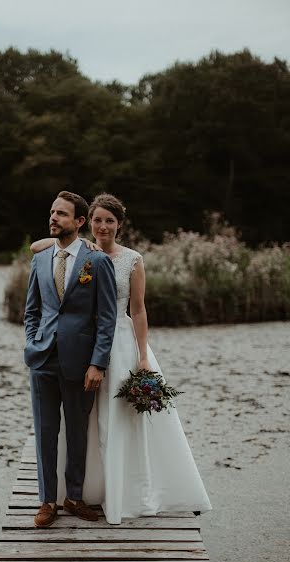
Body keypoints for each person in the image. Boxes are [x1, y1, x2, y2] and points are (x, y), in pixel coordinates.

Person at [30, 192, 212, 525]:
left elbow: (136, 309)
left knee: (110, 420)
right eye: (97, 220)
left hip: (114, 344)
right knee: (68, 425)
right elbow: (39, 254)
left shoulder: (127, 260)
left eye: (109, 221)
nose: (102, 226)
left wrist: (142, 355)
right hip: (64, 351)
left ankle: (107, 489)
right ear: (88, 223)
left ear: (119, 225)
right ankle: (60, 496)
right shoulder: (80, 251)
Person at [24, 190, 117, 528]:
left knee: (77, 431)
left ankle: (74, 496)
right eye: (52, 212)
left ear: (79, 222)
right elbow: (32, 310)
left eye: (61, 214)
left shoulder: (97, 262)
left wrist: (98, 363)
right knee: (45, 432)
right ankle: (46, 501)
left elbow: (107, 318)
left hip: (81, 362)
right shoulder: (39, 259)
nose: (53, 218)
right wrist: (32, 342)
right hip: (42, 359)